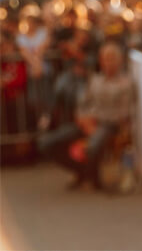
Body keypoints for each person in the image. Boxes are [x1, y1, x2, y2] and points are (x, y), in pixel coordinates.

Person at [38, 42, 136, 190]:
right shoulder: (95, 80)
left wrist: (96, 121)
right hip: (86, 123)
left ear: (120, 60)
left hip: (108, 125)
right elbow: (82, 104)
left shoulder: (126, 83)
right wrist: (84, 119)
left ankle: (94, 179)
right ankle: (82, 172)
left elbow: (124, 113)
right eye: (105, 58)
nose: (108, 63)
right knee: (47, 143)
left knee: (94, 144)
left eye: (111, 58)